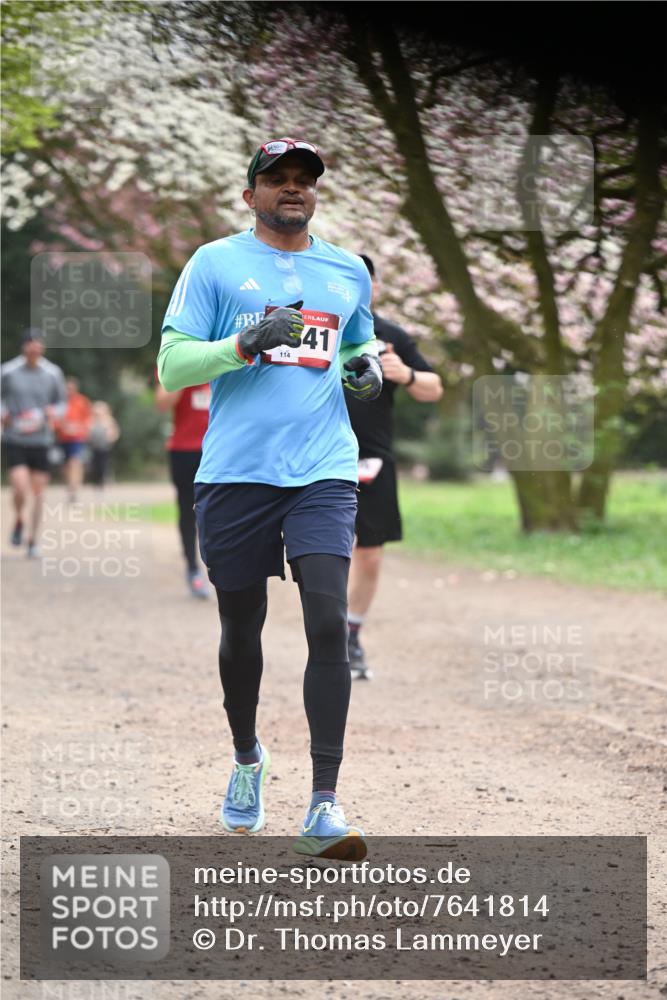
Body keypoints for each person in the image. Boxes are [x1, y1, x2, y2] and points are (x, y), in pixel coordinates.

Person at [157, 137, 382, 859]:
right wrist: (243, 343)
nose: (292, 188)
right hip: (236, 473)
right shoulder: (214, 263)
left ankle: (323, 804)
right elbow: (171, 366)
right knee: (240, 626)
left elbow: (357, 343)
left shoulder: (346, 270)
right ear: (249, 194)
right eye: (277, 178)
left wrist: (364, 368)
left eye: (304, 179)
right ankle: (247, 757)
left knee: (327, 621)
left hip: (322, 470)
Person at [346, 254, 443, 679]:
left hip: (373, 460)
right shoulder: (315, 330)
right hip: (317, 457)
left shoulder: (390, 335)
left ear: (375, 287)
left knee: (369, 556)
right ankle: (326, 634)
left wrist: (406, 374)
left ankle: (350, 635)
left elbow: (434, 388)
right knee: (321, 554)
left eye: (365, 282)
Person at [1, 329, 67, 557]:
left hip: (41, 439)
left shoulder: (52, 373)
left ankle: (32, 540)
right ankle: (19, 519)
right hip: (15, 437)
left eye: (38, 346)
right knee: (20, 487)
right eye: (31, 345)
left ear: (43, 349)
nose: (35, 350)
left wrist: (53, 412)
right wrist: (3, 413)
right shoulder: (8, 371)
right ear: (24, 348)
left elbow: (62, 404)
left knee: (39, 494)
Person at [155, 379, 211, 599]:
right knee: (188, 511)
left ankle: (222, 568)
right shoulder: (178, 362)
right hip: (185, 451)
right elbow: (162, 403)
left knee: (221, 511)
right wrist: (185, 372)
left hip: (217, 449)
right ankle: (193, 568)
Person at [55, 376, 93, 503]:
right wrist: (63, 427)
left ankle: (74, 488)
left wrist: (79, 428)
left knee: (74, 462)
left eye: (71, 388)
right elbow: (54, 419)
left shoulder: (82, 401)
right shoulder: (60, 403)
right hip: (63, 438)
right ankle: (69, 486)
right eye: (67, 388)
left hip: (77, 437)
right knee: (66, 465)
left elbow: (88, 419)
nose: (68, 390)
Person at [87, 400, 120, 489]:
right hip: (94, 446)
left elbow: (114, 432)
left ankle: (104, 480)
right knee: (94, 464)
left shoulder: (109, 420)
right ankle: (96, 481)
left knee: (104, 464)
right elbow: (87, 432)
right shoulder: (91, 420)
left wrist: (112, 438)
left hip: (105, 446)